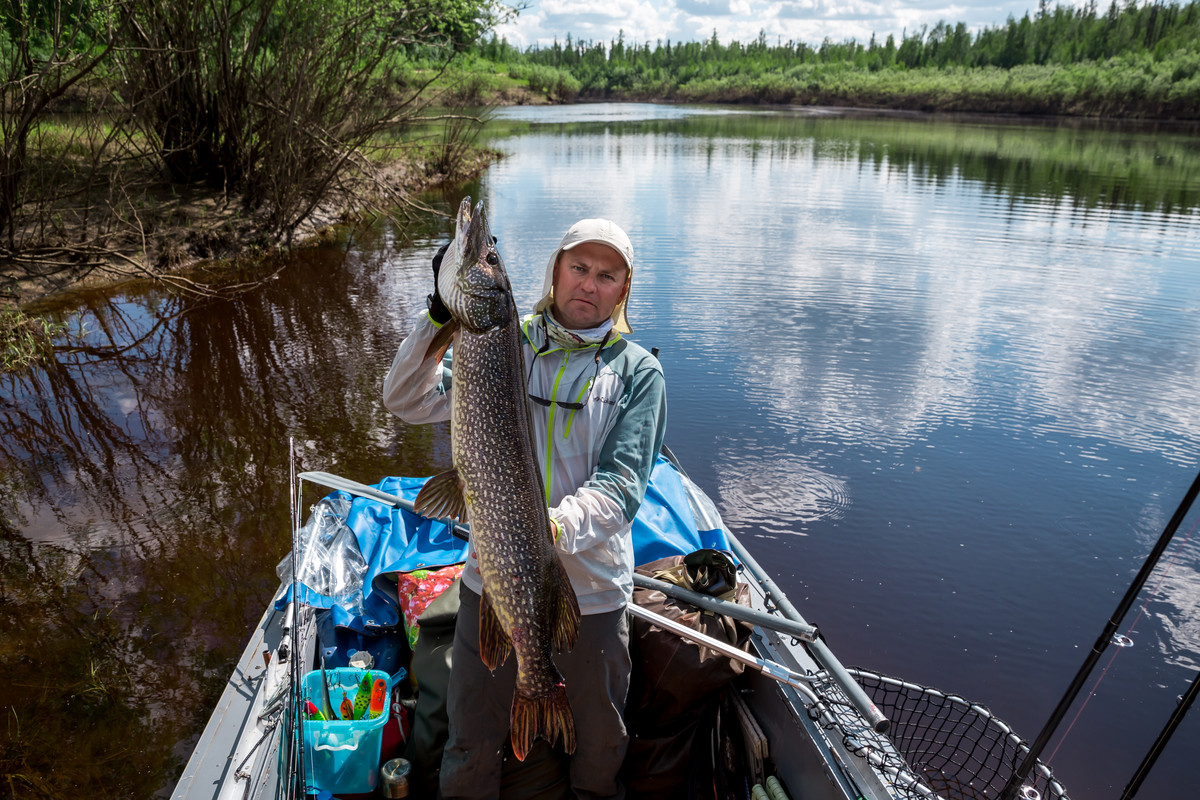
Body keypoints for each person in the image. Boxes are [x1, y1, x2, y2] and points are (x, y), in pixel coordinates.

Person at [382, 217, 667, 799]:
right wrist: (439, 313)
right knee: (469, 737)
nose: (588, 284)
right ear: (556, 270)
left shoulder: (638, 373)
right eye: (579, 267)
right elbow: (405, 399)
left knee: (601, 738)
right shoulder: (502, 340)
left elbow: (621, 487)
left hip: (591, 590)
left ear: (623, 290)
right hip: (490, 579)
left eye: (606, 275)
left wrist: (549, 528)